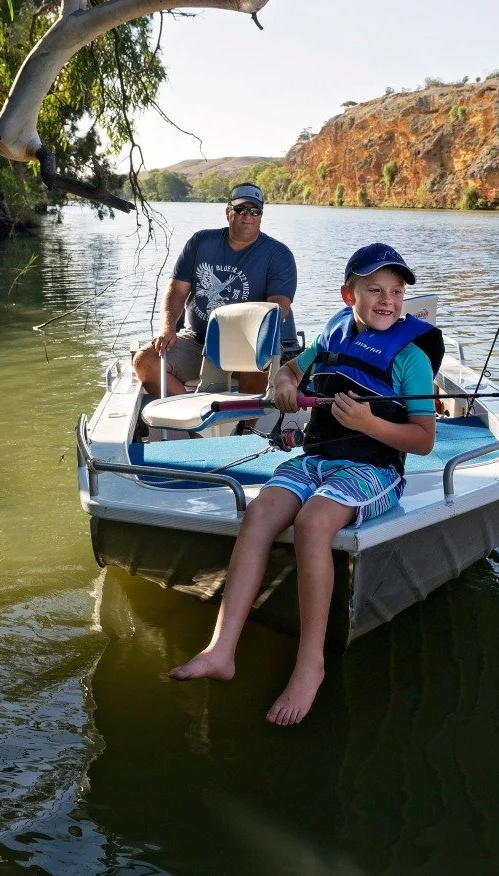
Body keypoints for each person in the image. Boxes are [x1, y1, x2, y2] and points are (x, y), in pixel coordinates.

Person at [169, 243, 444, 726]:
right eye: (374, 289)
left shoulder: (412, 358)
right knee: (259, 512)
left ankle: (309, 664)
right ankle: (221, 648)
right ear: (348, 295)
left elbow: (422, 440)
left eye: (397, 292)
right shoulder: (331, 333)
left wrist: (368, 424)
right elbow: (295, 369)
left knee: (314, 522)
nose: (387, 300)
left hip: (374, 469)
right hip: (317, 458)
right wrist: (285, 383)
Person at [133, 183, 297, 397]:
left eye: (254, 211)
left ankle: (244, 429)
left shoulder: (279, 254)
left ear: (260, 215)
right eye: (240, 210)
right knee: (145, 361)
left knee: (261, 352)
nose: (247, 216)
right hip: (197, 341)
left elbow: (279, 308)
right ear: (228, 211)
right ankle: (195, 425)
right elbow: (177, 291)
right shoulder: (201, 242)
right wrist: (167, 327)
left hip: (248, 343)